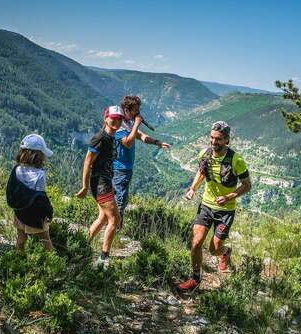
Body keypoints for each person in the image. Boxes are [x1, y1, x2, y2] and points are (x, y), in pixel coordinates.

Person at [177, 121, 252, 292]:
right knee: (196, 242)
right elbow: (202, 171)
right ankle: (195, 279)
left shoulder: (236, 160)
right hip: (206, 205)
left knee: (214, 249)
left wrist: (229, 196)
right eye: (211, 138)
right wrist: (192, 189)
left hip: (226, 210)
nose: (213, 142)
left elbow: (247, 185)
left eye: (218, 139)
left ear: (226, 140)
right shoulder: (204, 154)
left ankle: (224, 253)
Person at [76, 106, 124, 267]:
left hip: (106, 181)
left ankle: (81, 246)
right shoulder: (100, 138)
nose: (117, 121)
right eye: (113, 118)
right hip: (100, 183)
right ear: (106, 118)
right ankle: (104, 257)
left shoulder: (111, 137)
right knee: (115, 219)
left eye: (120, 119)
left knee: (103, 217)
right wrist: (84, 186)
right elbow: (88, 161)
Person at [113, 95, 170, 225]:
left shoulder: (128, 123)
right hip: (119, 168)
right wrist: (137, 124)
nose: (138, 113)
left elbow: (141, 136)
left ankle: (114, 226)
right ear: (126, 110)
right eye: (135, 111)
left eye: (139, 110)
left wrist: (157, 142)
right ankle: (115, 229)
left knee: (122, 198)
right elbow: (127, 143)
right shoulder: (119, 124)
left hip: (126, 168)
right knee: (120, 200)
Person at [6, 134, 55, 252]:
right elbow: (41, 198)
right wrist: (49, 213)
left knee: (21, 239)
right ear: (38, 155)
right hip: (35, 215)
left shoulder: (16, 170)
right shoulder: (39, 175)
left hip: (19, 211)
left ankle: (18, 261)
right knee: (46, 241)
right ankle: (54, 265)